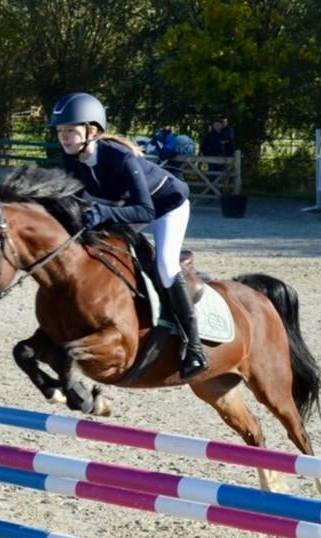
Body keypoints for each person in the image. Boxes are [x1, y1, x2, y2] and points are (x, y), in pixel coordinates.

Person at [48, 92, 209, 379]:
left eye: (71, 130)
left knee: (165, 266)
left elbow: (146, 211)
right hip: (127, 208)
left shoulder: (120, 157)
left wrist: (104, 214)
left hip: (166, 206)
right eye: (61, 131)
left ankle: (193, 346)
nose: (64, 137)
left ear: (92, 131)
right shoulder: (71, 158)